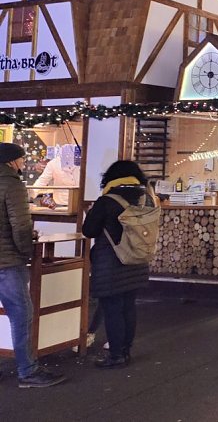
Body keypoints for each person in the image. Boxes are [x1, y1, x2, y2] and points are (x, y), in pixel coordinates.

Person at [0, 143, 66, 387]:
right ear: (11, 161)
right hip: (7, 261)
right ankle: (27, 370)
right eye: (21, 159)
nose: (24, 163)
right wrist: (27, 250)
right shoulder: (12, 184)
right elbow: (20, 226)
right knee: (21, 314)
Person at [82, 160, 152, 368]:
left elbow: (89, 230)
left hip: (111, 264)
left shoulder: (107, 200)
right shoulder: (146, 198)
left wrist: (91, 212)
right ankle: (125, 351)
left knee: (112, 308)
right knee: (128, 307)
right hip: (137, 261)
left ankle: (115, 355)